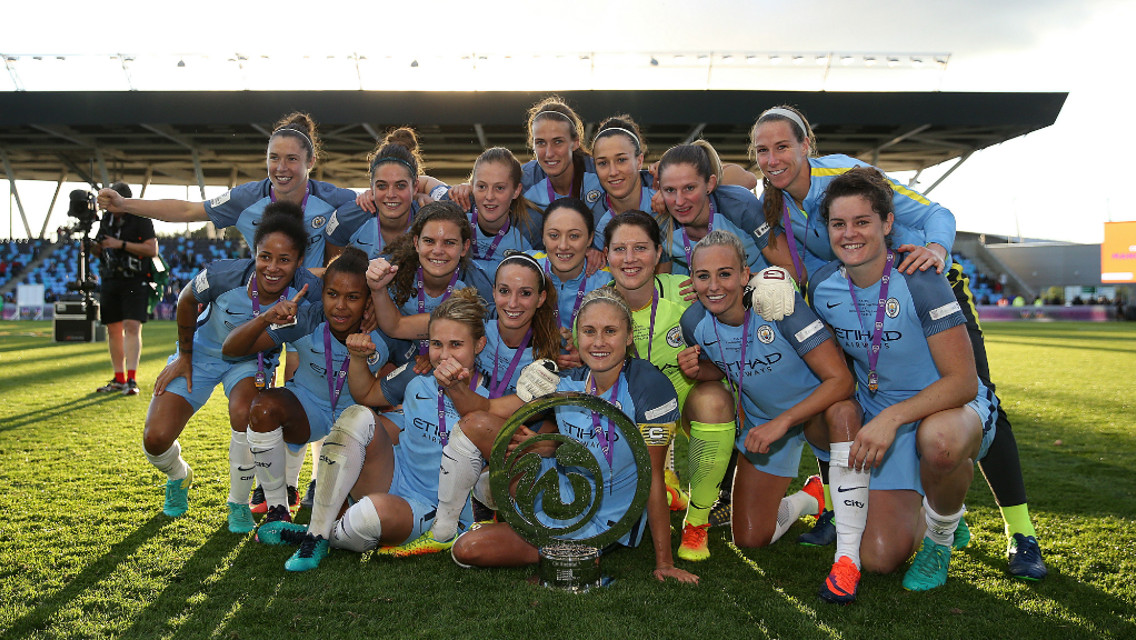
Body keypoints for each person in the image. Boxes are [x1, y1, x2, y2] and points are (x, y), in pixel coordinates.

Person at [750, 106, 1046, 580]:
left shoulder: (846, 175)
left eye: (782, 146)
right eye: (762, 151)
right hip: (857, 302)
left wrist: (937, 252)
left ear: (807, 146)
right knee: (839, 406)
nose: (772, 158)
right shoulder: (776, 203)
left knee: (966, 410)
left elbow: (936, 212)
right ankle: (845, 501)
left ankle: (1020, 532)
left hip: (921, 285)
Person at [806, 167, 998, 591]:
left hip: (948, 408)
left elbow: (963, 381)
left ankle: (941, 535)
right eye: (839, 224)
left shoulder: (920, 277)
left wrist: (891, 418)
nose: (849, 234)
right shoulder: (823, 287)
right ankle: (940, 504)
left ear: (887, 223)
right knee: (877, 560)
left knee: (942, 445)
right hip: (883, 412)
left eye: (862, 222)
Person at [444, 288, 699, 584]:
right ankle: (479, 512)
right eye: (589, 331)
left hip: (604, 518)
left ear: (629, 336)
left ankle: (571, 545)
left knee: (472, 548)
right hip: (558, 489)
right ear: (577, 337)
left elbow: (653, 475)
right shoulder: (568, 380)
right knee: (477, 428)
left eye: (610, 331)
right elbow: (487, 410)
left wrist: (664, 563)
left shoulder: (650, 387)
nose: (599, 342)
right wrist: (454, 386)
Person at [676, 229, 866, 602]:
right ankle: (809, 499)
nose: (714, 286)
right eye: (703, 276)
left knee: (841, 411)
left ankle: (851, 547)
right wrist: (701, 371)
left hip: (817, 414)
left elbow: (840, 380)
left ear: (746, 275)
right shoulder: (693, 322)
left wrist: (783, 421)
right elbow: (731, 365)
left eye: (725, 274)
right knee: (751, 538)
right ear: (692, 279)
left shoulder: (777, 305)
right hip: (766, 424)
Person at [255, 288, 490, 571]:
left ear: (479, 345)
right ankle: (317, 533)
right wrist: (356, 359)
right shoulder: (417, 378)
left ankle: (318, 533)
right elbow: (371, 401)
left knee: (368, 517)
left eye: (456, 345)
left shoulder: (493, 396)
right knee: (357, 415)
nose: (443, 355)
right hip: (396, 476)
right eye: (437, 344)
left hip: (433, 507)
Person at [140, 206, 322, 532]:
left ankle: (237, 504)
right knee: (155, 439)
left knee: (244, 412)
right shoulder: (224, 275)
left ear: (298, 262)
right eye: (265, 256)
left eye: (285, 260)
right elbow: (185, 299)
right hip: (198, 357)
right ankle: (179, 476)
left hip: (250, 363)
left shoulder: (306, 291)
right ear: (254, 253)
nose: (273, 267)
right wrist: (183, 356)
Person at [222, 247, 388, 529]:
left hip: (357, 421)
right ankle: (277, 507)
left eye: (353, 297)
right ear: (322, 294)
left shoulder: (385, 327)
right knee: (263, 408)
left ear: (369, 301)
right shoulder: (306, 318)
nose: (340, 306)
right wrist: (266, 317)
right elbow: (232, 349)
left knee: (348, 520)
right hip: (308, 410)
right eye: (332, 294)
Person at [97, 112, 371, 270]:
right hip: (264, 300)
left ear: (310, 162)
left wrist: (412, 186)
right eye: (274, 158)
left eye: (291, 159)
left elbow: (388, 204)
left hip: (314, 305)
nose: (281, 168)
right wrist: (124, 204)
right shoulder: (245, 199)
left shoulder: (335, 199)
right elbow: (187, 210)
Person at [602, 210, 697, 509]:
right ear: (606, 256)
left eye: (640, 248)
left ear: (658, 253)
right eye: (620, 249)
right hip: (630, 417)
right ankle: (653, 476)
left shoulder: (686, 292)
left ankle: (702, 511)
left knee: (715, 402)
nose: (629, 258)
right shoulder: (596, 310)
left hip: (687, 406)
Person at [365, 200, 495, 370]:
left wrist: (378, 292)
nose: (438, 250)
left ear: (465, 247)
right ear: (416, 243)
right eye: (429, 241)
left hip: (452, 361)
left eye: (449, 242)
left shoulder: (478, 287)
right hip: (403, 352)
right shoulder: (392, 268)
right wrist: (371, 291)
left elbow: (396, 326)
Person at [655, 140, 776, 276]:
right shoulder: (662, 224)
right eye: (670, 189)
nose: (680, 201)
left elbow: (791, 269)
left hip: (761, 289)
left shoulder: (739, 207)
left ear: (710, 184)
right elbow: (661, 285)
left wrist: (743, 284)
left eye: (689, 188)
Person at [526, 198, 614, 368]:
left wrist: (588, 353)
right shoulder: (525, 268)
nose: (563, 245)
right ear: (543, 237)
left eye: (574, 236)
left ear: (590, 239)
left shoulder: (609, 282)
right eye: (554, 235)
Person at [93, 181, 158, 396]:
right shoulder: (107, 219)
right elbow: (102, 249)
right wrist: (92, 247)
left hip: (135, 279)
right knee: (113, 328)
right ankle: (118, 377)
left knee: (132, 326)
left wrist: (119, 244)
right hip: (111, 278)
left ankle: (131, 378)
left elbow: (152, 249)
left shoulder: (140, 218)